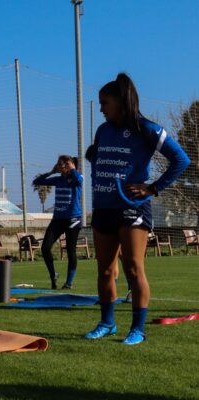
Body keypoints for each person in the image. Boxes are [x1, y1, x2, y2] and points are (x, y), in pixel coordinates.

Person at [84, 73, 190, 345]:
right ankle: (107, 323)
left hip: (132, 208)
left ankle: (138, 329)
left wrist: (153, 188)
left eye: (105, 102)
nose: (101, 108)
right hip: (104, 208)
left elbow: (181, 159)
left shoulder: (147, 128)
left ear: (120, 102)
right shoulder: (102, 131)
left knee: (133, 267)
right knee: (105, 270)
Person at [33, 155, 83, 289]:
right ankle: (53, 274)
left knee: (70, 251)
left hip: (73, 219)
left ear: (72, 165)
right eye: (60, 164)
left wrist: (72, 168)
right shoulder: (58, 180)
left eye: (65, 164)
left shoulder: (77, 178)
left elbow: (78, 180)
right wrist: (51, 172)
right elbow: (37, 181)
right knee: (45, 248)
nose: (62, 166)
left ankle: (69, 283)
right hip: (57, 220)